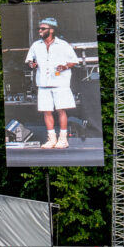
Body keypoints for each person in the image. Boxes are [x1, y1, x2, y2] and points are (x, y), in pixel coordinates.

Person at [26, 16, 79, 149]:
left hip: (60, 83)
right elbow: (29, 61)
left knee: (61, 110)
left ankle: (63, 139)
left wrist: (65, 67)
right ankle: (51, 139)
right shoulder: (36, 45)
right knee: (46, 111)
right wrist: (32, 64)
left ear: (51, 30)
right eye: (39, 29)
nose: (40, 31)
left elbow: (74, 61)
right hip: (43, 83)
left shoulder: (63, 44)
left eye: (43, 29)